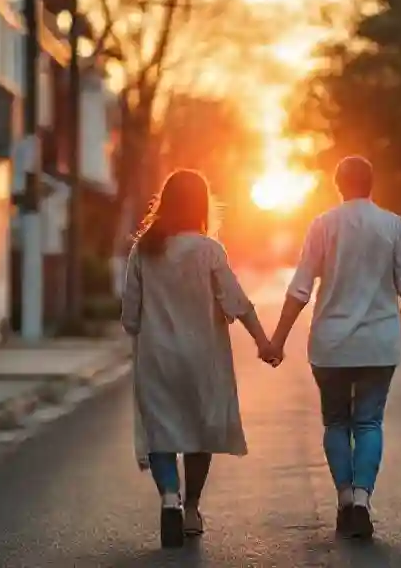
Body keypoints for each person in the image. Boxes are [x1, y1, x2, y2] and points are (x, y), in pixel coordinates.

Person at [263, 155, 401, 540]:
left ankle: (343, 498)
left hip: (331, 346)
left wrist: (277, 341)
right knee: (369, 422)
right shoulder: (393, 226)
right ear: (372, 184)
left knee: (336, 422)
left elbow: (300, 288)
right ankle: (362, 499)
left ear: (338, 185)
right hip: (378, 343)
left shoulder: (322, 226)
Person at [121, 169, 275, 549]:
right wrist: (264, 343)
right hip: (202, 359)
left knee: (161, 433)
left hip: (157, 358)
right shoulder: (210, 250)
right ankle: (191, 508)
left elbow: (129, 316)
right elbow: (237, 302)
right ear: (201, 205)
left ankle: (169, 498)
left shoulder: (144, 249)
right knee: (197, 432)